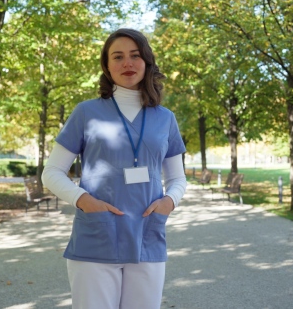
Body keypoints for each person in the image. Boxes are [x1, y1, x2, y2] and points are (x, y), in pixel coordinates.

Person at [42, 28, 187, 309]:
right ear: (107, 67)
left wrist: (169, 202)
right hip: (97, 236)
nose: (127, 64)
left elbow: (177, 177)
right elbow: (52, 172)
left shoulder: (165, 119)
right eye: (118, 57)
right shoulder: (86, 112)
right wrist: (83, 200)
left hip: (147, 235)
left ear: (146, 62)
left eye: (135, 56)